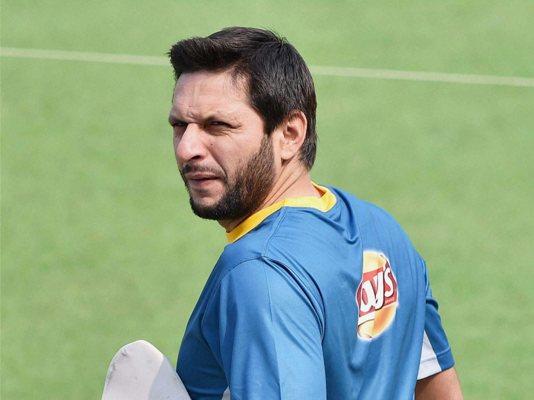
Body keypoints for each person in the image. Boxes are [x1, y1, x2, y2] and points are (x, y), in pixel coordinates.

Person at [167, 27, 462, 399]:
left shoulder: (258, 272)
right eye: (180, 125)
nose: (187, 148)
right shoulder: (382, 230)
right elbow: (438, 388)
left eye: (218, 126)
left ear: (290, 133)